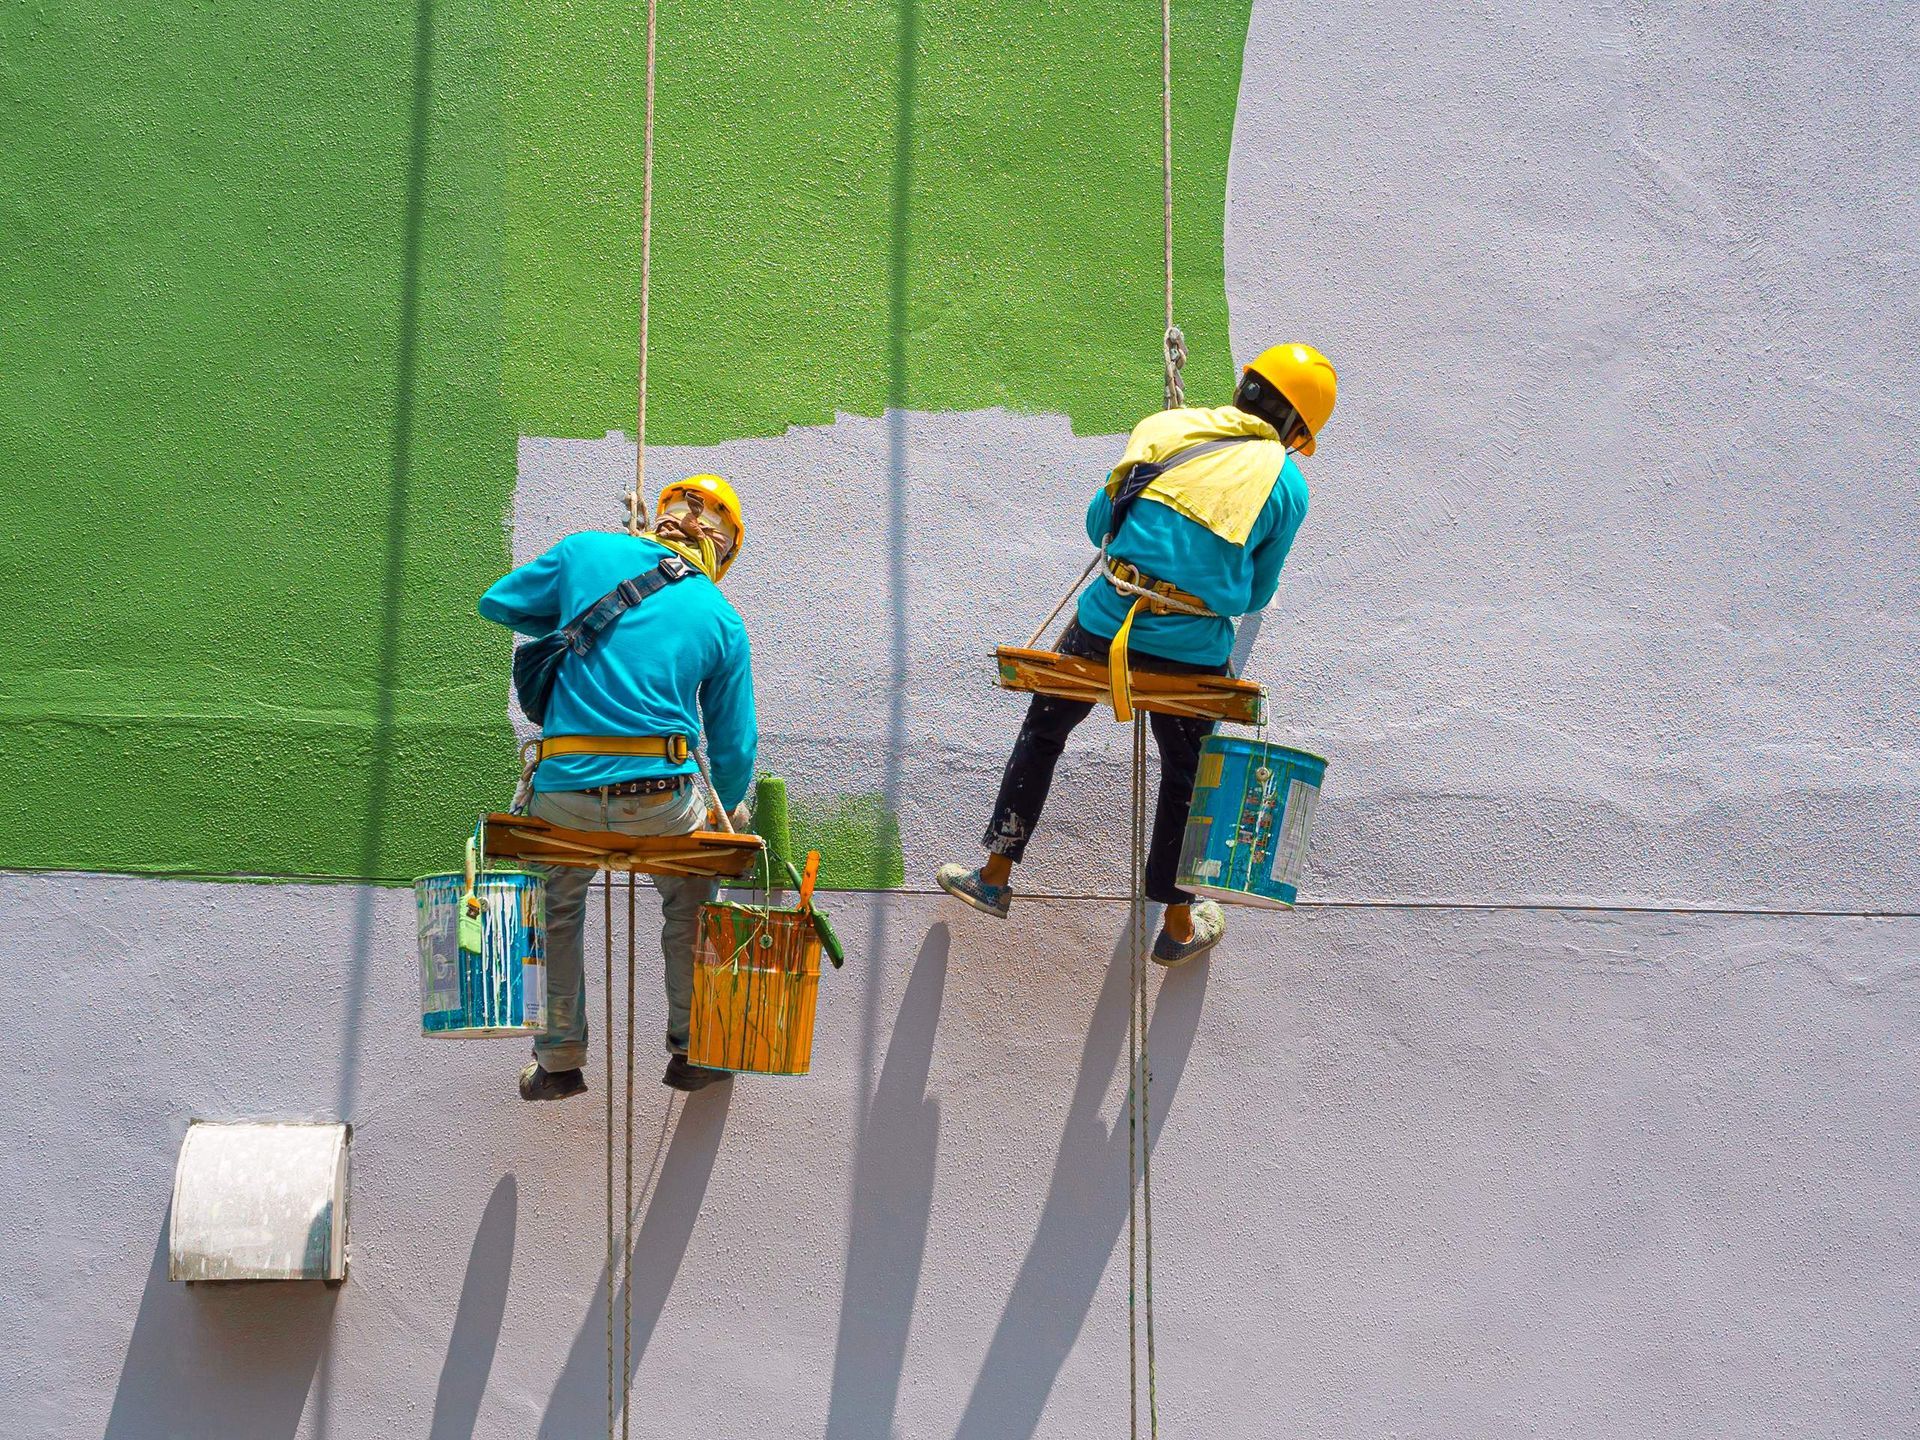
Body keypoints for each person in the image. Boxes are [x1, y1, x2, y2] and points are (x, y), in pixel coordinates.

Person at [937, 343, 1335, 965]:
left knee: (1044, 731)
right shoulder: (1286, 484)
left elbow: (1101, 524)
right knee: (1188, 777)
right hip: (1191, 650)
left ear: (1244, 389)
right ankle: (1176, 924)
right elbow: (1256, 592)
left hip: (1105, 624)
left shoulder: (1166, 430)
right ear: (1295, 428)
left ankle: (994, 873)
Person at [479, 474, 757, 1096]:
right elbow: (734, 750)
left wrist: (579, 596)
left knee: (553, 906)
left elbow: (498, 603)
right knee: (691, 899)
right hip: (662, 798)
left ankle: (557, 1060)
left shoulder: (587, 552)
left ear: (659, 517)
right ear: (722, 549)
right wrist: (730, 812)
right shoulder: (721, 616)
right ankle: (693, 1051)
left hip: (564, 793)